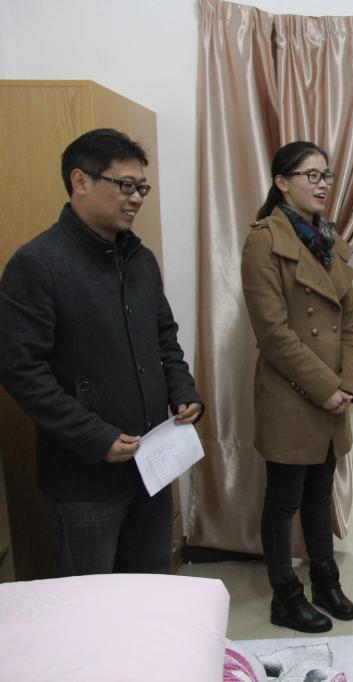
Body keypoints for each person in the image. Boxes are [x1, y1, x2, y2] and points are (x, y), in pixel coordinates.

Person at [0, 128, 203, 576]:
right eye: (125, 185)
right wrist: (95, 437)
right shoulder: (37, 264)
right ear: (81, 181)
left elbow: (164, 336)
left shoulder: (139, 259)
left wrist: (182, 390)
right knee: (93, 601)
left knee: (152, 586)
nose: (135, 199)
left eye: (142, 188)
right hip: (84, 480)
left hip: (151, 464)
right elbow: (21, 371)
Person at [241, 141, 353, 633]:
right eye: (311, 175)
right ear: (282, 183)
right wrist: (325, 387)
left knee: (319, 494)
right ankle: (285, 596)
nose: (322, 184)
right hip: (292, 392)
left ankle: (325, 581)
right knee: (284, 501)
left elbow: (349, 322)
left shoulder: (329, 238)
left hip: (332, 395)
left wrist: (346, 384)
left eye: (326, 175)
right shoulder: (263, 240)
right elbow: (272, 333)